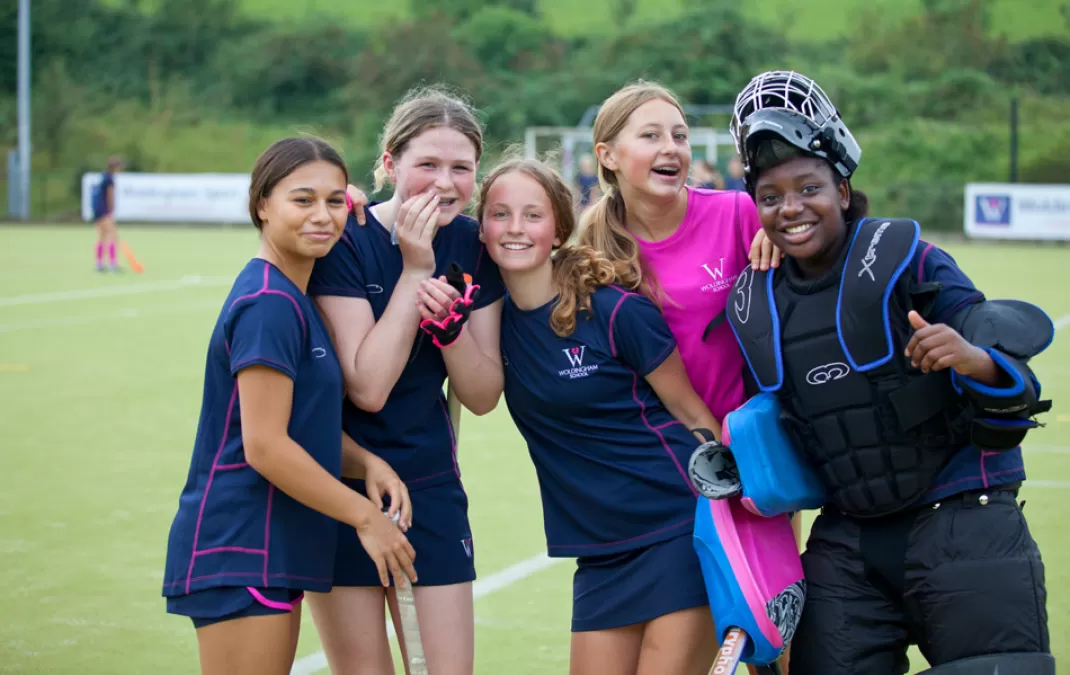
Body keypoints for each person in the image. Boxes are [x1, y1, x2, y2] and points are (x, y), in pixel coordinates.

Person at [725, 70, 1053, 675]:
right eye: (770, 197)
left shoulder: (909, 259)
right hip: (847, 542)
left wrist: (971, 359)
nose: (791, 208)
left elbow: (1017, 390)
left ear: (843, 189)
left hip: (963, 517)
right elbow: (768, 441)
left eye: (809, 188)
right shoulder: (753, 304)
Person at [161, 136, 416, 675]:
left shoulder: (291, 296)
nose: (322, 216)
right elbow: (266, 446)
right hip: (241, 546)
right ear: (262, 205)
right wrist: (366, 518)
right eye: (302, 200)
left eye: (333, 201)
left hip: (271, 545)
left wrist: (366, 462)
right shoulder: (269, 304)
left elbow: (298, 427)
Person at [480, 153, 723, 675]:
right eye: (500, 214)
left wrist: (734, 525)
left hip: (680, 529)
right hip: (598, 552)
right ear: (480, 228)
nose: (515, 228)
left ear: (558, 229)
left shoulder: (615, 311)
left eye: (532, 214)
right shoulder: (488, 323)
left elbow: (691, 413)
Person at [577, 81, 791, 672]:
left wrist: (780, 234)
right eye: (650, 136)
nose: (671, 147)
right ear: (607, 155)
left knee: (775, 641)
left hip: (751, 463)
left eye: (679, 135)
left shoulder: (739, 213)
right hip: (660, 474)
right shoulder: (589, 245)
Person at [306, 86, 505, 675]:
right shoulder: (345, 237)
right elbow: (367, 389)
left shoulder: (472, 242)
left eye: (461, 168)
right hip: (340, 487)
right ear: (390, 163)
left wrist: (451, 331)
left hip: (429, 485)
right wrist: (415, 270)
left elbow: (482, 396)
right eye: (427, 164)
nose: (445, 183)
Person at [92, 156, 122, 272]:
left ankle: (99, 263)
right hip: (104, 211)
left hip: (97, 211)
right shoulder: (109, 179)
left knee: (101, 236)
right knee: (112, 235)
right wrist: (110, 211)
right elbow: (110, 196)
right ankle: (112, 264)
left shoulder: (103, 176)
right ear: (115, 167)